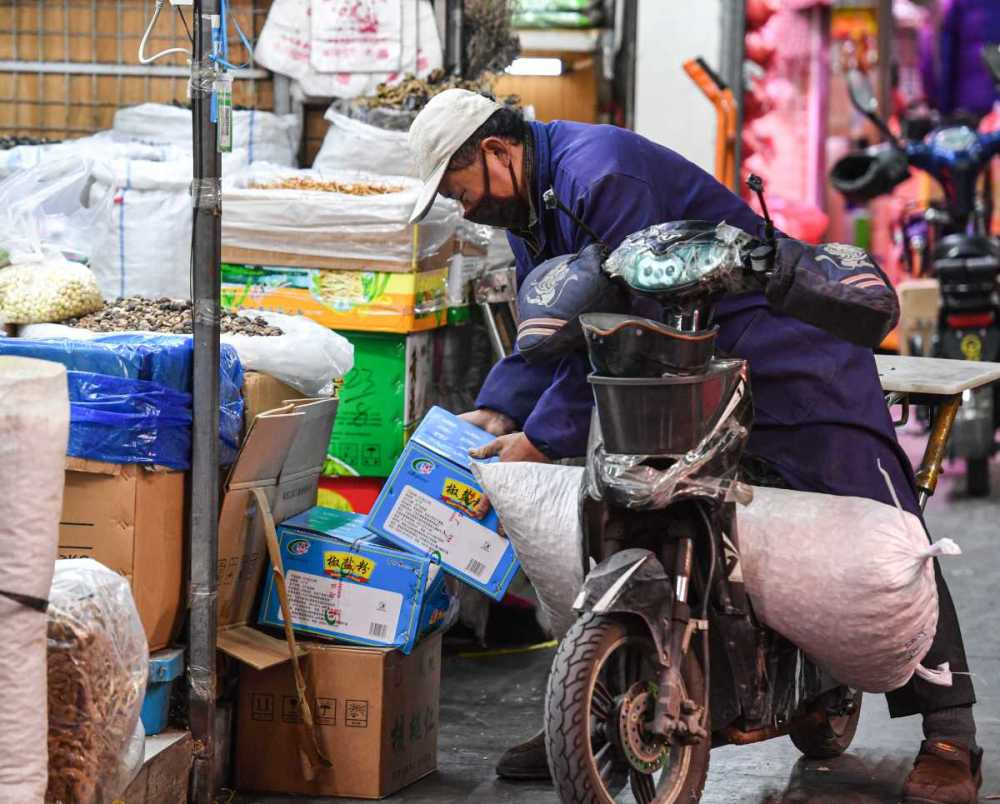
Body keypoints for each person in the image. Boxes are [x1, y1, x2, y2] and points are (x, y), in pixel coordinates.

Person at [407, 89, 982, 804]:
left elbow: (627, 323)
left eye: (456, 188)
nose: (461, 206)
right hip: (682, 367)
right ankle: (599, 703)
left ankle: (950, 733)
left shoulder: (602, 176)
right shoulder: (530, 203)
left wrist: (539, 436)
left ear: (494, 152)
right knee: (642, 514)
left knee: (889, 525)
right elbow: (553, 323)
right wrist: (497, 411)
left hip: (781, 356)